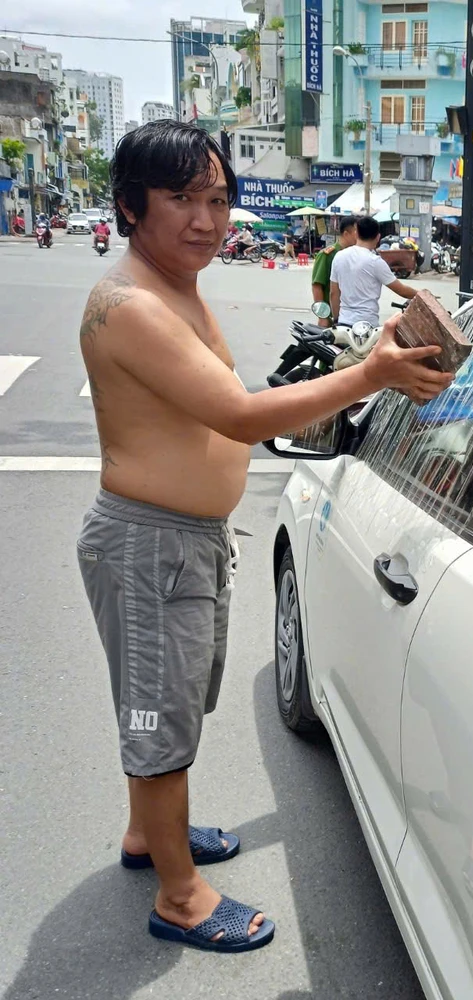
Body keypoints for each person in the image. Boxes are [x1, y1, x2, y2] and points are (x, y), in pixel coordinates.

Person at [75, 120, 452, 955]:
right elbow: (241, 415)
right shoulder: (129, 303)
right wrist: (372, 375)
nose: (205, 219)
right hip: (150, 545)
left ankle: (150, 837)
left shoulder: (177, 282)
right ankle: (179, 895)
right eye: (181, 198)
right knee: (160, 718)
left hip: (186, 541)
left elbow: (223, 396)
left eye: (216, 198)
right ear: (131, 204)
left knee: (173, 706)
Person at [330, 215, 418, 327]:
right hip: (367, 326)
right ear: (378, 237)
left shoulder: (339, 256)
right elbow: (402, 290)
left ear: (356, 233)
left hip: (343, 323)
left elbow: (334, 293)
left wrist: (337, 319)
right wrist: (423, 295)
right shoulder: (375, 262)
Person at [310, 217, 357, 327]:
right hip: (332, 317)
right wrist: (322, 316)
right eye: (356, 232)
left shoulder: (355, 256)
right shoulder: (327, 255)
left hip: (351, 317)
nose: (359, 236)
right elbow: (317, 286)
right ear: (346, 234)